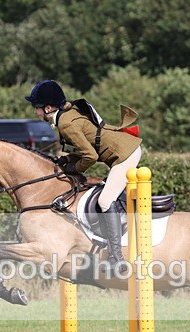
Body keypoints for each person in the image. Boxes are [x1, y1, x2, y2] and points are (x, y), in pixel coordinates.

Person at [25, 80, 142, 270]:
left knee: (105, 201)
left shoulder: (65, 123)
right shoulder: (66, 114)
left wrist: (75, 168)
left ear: (47, 108)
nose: (35, 112)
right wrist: (68, 160)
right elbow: (86, 147)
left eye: (36, 108)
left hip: (125, 154)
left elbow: (90, 156)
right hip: (122, 150)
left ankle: (116, 257)